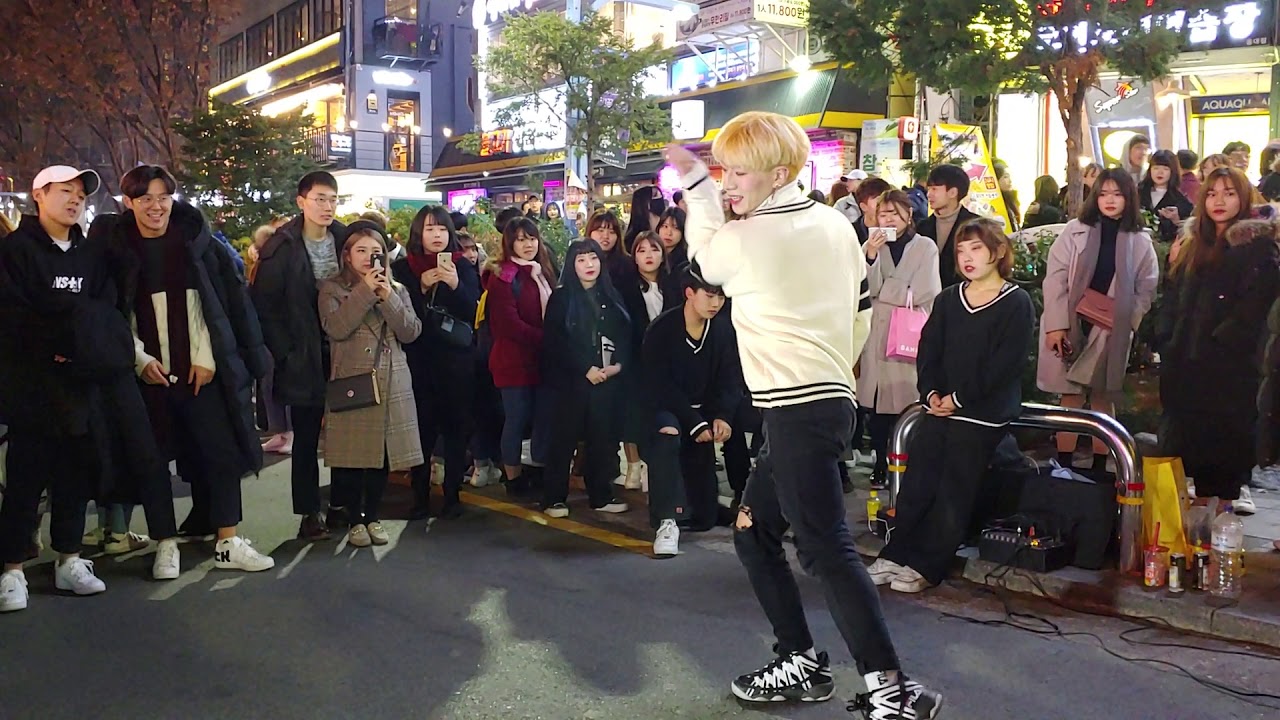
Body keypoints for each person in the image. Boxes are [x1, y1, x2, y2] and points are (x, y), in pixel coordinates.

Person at [667, 111, 941, 717]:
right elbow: (861, 310)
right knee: (753, 530)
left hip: (796, 407)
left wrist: (696, 186)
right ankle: (800, 661)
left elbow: (705, 260)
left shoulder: (749, 236)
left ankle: (893, 691)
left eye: (739, 171)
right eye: (724, 170)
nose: (729, 182)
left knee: (825, 549)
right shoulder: (835, 225)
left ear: (780, 172)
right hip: (826, 401)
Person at [94, 164, 275, 573]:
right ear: (129, 203)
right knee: (152, 460)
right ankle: (166, 543)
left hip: (201, 370)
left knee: (221, 452)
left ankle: (228, 540)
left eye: (163, 197)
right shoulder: (117, 251)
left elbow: (215, 306)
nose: (156, 207)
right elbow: (113, 313)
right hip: (146, 373)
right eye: (145, 198)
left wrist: (207, 356)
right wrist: (139, 360)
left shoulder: (196, 242)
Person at [868, 219, 1034, 593]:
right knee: (918, 481)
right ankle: (895, 553)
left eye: (976, 249)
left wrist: (959, 399)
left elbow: (1005, 364)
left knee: (954, 489)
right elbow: (930, 351)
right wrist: (931, 394)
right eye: (961, 251)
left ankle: (929, 564)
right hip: (939, 407)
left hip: (983, 413)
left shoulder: (1015, 302)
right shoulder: (949, 299)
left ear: (998, 252)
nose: (967, 258)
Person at [0, 166, 134, 609]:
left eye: (79, 194)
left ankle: (70, 559)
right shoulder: (15, 251)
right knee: (25, 476)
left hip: (81, 383)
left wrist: (80, 346)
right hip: (31, 385)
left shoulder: (92, 255)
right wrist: (59, 342)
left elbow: (104, 308)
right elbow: (13, 315)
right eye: (64, 192)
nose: (74, 200)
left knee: (74, 474)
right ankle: (13, 569)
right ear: (39, 196)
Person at [1159, 167, 1274, 516]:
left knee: (1223, 456)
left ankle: (1219, 531)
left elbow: (1255, 307)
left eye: (1229, 193)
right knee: (1189, 451)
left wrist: (1220, 341)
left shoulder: (1256, 247)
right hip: (1186, 364)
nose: (1219, 201)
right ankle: (1197, 537)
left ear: (1243, 198)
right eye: (1211, 193)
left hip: (1228, 369)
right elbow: (1173, 296)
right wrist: (1167, 339)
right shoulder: (1194, 244)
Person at [1039, 168, 1159, 475]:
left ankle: (1098, 467)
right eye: (1103, 194)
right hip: (1073, 322)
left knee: (1103, 397)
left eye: (1117, 194)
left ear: (1128, 199)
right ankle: (1063, 465)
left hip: (1111, 328)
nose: (1109, 200)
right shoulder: (1075, 231)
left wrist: (1127, 321)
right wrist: (1056, 325)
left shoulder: (1139, 241)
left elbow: (1147, 287)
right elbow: (1055, 278)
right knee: (1071, 396)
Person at [251, 171, 349, 541]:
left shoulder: (345, 237)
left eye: (333, 200)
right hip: (302, 354)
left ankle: (341, 503)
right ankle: (309, 512)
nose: (327, 207)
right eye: (320, 199)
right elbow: (264, 305)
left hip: (343, 351)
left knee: (345, 433)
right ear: (301, 201)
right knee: (306, 437)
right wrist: (287, 352)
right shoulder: (283, 246)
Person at [320, 221, 423, 546]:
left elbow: (410, 331)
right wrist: (365, 291)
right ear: (347, 256)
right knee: (353, 457)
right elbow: (336, 328)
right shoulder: (332, 289)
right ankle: (354, 520)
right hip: (353, 379)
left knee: (382, 456)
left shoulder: (398, 289)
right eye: (360, 251)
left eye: (374, 252)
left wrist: (386, 296)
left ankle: (373, 517)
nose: (368, 257)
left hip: (391, 379)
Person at [642, 265, 742, 555]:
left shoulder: (722, 331)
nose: (716, 303)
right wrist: (694, 422)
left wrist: (723, 415)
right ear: (689, 293)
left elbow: (730, 378)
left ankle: (718, 505)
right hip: (663, 406)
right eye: (710, 296)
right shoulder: (662, 329)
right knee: (668, 433)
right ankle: (666, 521)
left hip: (703, 411)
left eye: (721, 297)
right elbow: (658, 384)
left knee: (705, 517)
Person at [392, 206, 481, 520]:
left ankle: (453, 495)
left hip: (457, 361)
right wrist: (423, 287)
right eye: (430, 229)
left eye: (442, 229)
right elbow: (398, 314)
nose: (437, 235)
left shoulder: (464, 267)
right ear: (419, 233)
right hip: (418, 360)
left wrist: (455, 285)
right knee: (421, 431)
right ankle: (419, 495)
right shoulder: (403, 268)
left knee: (456, 429)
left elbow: (474, 311)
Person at [539, 239, 632, 518]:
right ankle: (553, 497)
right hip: (570, 381)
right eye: (581, 259)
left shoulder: (610, 294)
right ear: (571, 264)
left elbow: (625, 334)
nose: (589, 265)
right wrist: (584, 369)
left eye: (593, 258)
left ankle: (601, 494)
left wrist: (618, 366)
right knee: (563, 440)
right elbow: (555, 342)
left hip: (606, 379)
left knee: (601, 439)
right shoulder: (562, 296)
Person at [858, 190, 942, 487]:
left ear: (909, 214)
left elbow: (924, 291)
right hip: (876, 334)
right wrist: (869, 254)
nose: (889, 219)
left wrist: (885, 292)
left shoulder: (924, 247)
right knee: (878, 406)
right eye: (883, 214)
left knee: (905, 402)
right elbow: (865, 288)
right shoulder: (873, 245)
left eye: (895, 213)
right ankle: (880, 463)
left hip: (907, 331)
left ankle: (906, 462)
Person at [486, 217, 557, 494]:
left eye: (531, 238)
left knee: (542, 417)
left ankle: (537, 469)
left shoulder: (542, 271)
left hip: (543, 361)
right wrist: (547, 339)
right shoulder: (503, 275)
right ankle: (513, 477)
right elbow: (508, 324)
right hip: (513, 361)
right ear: (509, 243)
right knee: (516, 419)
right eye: (520, 239)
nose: (528, 244)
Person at [617, 230, 681, 490]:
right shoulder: (625, 287)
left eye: (653, 249)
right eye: (641, 251)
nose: (648, 256)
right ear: (634, 257)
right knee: (635, 415)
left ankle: (660, 468)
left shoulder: (674, 283)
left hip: (671, 362)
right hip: (637, 361)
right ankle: (636, 464)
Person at [919, 164, 980, 288]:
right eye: (929, 189)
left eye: (934, 189)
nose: (928, 194)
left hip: (965, 296)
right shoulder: (921, 227)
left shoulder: (976, 225)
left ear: (953, 192)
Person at [1138, 150, 1194, 243]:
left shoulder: (1181, 201)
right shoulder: (1138, 193)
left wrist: (1176, 220)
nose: (1160, 172)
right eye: (1156, 168)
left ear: (1173, 171)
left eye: (1165, 169)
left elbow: (1187, 233)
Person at [623, 185, 665, 253]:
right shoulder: (632, 239)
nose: (660, 198)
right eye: (655, 195)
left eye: (660, 195)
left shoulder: (665, 231)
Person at [851, 177, 893, 244]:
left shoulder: (896, 229)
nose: (884, 205)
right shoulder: (851, 233)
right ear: (863, 207)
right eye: (878, 200)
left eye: (887, 200)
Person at [656, 206, 688, 272]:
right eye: (665, 226)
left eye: (675, 228)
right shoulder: (652, 254)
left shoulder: (685, 263)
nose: (669, 233)